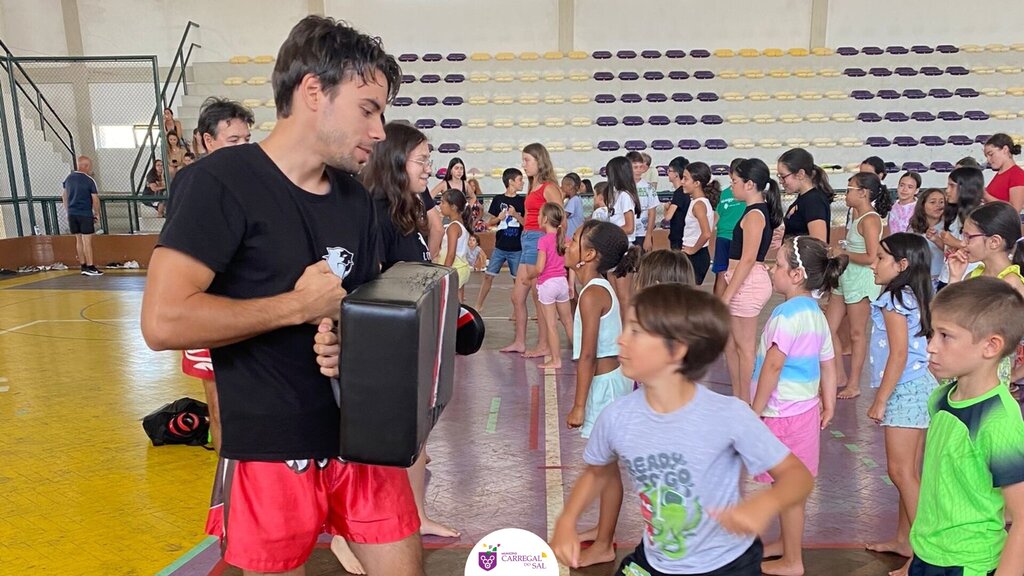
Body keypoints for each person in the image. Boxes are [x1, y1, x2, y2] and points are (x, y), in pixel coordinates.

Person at [140, 16, 423, 576]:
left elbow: (354, 311)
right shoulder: (220, 182)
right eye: (367, 110)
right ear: (314, 91)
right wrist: (297, 307)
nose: (378, 131)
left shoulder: (357, 201)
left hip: (361, 438)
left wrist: (349, 343)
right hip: (270, 448)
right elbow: (163, 321)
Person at [552, 283, 814, 575]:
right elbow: (596, 474)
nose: (620, 340)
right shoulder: (616, 417)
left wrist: (763, 505)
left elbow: (798, 476)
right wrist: (567, 520)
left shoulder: (728, 415)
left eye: (636, 332)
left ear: (676, 349)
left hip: (727, 565)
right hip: (656, 560)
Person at [325, 122, 453, 573]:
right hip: (380, 351)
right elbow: (366, 288)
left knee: (414, 441)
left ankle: (417, 515)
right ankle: (344, 535)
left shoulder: (406, 208)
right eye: (422, 160)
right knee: (369, 453)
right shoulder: (374, 211)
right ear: (396, 162)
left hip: (408, 345)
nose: (429, 168)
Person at [910, 277, 1024, 576]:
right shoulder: (941, 397)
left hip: (967, 563)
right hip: (927, 553)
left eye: (945, 336)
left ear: (991, 346)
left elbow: (1023, 518)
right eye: (932, 333)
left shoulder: (999, 420)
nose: (931, 347)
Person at [752, 236, 843, 576]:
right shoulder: (816, 314)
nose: (770, 270)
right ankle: (785, 545)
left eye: (777, 265)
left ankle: (792, 561)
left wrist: (755, 410)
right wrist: (829, 404)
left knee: (787, 488)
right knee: (790, 486)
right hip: (804, 412)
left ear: (796, 275)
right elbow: (828, 363)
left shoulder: (784, 315)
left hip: (780, 414)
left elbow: (773, 366)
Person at [170, 97, 255, 455]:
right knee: (219, 406)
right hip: (208, 311)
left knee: (256, 403)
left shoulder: (259, 180)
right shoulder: (192, 182)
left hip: (250, 310)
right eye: (233, 140)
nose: (243, 148)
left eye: (247, 139)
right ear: (208, 140)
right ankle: (227, 477)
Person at [560, 220, 639, 567]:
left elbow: (588, 354)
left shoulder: (592, 294)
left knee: (605, 468)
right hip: (610, 382)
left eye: (575, 239)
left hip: (604, 387)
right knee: (603, 466)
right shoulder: (596, 287)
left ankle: (605, 543)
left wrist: (579, 405)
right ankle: (602, 530)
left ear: (589, 254)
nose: (568, 242)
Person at [859, 234, 937, 576]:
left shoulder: (893, 298)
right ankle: (905, 541)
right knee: (909, 472)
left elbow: (899, 353)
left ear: (902, 265)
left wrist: (880, 400)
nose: (873, 264)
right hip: (919, 386)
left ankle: (924, 555)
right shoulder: (912, 294)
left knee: (901, 473)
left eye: (880, 258)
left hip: (904, 390)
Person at [722, 158, 784, 403]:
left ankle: (746, 399)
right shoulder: (754, 212)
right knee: (733, 344)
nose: (732, 186)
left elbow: (748, 259)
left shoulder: (755, 214)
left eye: (734, 181)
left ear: (749, 184)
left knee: (745, 347)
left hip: (746, 283)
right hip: (742, 280)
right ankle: (739, 396)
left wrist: (727, 294)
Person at [947, 201, 1024, 390]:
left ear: (994, 242)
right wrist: (955, 277)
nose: (963, 243)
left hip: (988, 375)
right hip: (963, 366)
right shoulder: (973, 275)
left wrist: (1016, 373)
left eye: (969, 237)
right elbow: (949, 318)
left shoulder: (1011, 283)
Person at [829, 172, 892, 400]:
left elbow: (871, 257)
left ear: (863, 193)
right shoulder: (858, 217)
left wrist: (843, 253)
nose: (846, 194)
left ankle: (854, 383)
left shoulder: (870, 220)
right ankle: (838, 374)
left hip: (861, 280)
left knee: (857, 333)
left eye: (850, 190)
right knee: (828, 328)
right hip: (846, 276)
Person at [500, 144, 562, 357]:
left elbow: (560, 218)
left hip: (539, 240)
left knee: (539, 297)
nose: (523, 165)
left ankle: (544, 344)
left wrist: (555, 245)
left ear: (539, 161)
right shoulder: (533, 186)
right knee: (517, 297)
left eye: (527, 160)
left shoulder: (548, 187)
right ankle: (520, 341)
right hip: (527, 239)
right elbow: (529, 218)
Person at [475, 168, 524, 312]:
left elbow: (526, 223)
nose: (522, 183)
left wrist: (515, 215)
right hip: (500, 247)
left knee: (517, 281)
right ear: (511, 182)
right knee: (488, 276)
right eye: (520, 180)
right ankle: (479, 304)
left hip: (516, 248)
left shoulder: (522, 201)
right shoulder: (498, 199)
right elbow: (489, 222)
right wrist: (499, 218)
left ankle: (517, 310)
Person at [533, 202, 573, 369]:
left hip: (547, 284)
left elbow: (539, 268)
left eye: (539, 214)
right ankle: (580, 353)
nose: (537, 217)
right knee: (568, 321)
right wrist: (571, 284)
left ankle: (556, 359)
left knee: (551, 324)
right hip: (562, 282)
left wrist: (529, 275)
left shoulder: (543, 241)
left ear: (545, 219)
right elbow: (571, 264)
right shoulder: (566, 239)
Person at [936, 167, 985, 289]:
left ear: (966, 188)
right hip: (947, 274)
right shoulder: (954, 212)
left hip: (969, 277)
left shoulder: (981, 214)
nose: (947, 190)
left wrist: (955, 243)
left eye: (952, 186)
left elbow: (984, 248)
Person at [604, 156, 641, 319]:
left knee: (624, 297)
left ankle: (627, 328)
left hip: (623, 250)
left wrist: (608, 231)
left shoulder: (625, 196)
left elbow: (629, 226)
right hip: (614, 249)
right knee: (615, 296)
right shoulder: (616, 196)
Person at [779, 148, 834, 242]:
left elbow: (819, 242)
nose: (780, 181)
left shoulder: (813, 201)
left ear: (800, 174)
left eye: (783, 176)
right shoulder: (805, 198)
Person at [712, 158, 749, 298]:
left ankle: (719, 304)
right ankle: (730, 302)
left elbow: (716, 216)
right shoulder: (748, 193)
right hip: (738, 238)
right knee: (737, 272)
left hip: (724, 237)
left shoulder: (724, 194)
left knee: (722, 272)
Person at [678, 161, 720, 284]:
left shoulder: (699, 205)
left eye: (686, 179)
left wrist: (693, 250)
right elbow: (715, 217)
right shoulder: (701, 202)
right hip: (696, 253)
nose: (682, 182)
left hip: (695, 255)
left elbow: (706, 233)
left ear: (696, 183)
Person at [62, 155, 103, 276]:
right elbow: (95, 199)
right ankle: (90, 266)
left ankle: (83, 265)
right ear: (86, 166)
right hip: (85, 213)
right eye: (89, 166)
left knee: (78, 240)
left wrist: (68, 210)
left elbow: (64, 196)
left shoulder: (69, 178)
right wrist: (96, 213)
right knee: (87, 241)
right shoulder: (89, 180)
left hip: (72, 214)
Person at [434, 188, 472, 302]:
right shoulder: (458, 224)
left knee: (448, 301)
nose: (440, 205)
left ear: (453, 207)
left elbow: (451, 254)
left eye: (443, 202)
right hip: (460, 268)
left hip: (454, 269)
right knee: (459, 301)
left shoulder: (453, 227)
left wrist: (444, 273)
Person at [908, 189, 948, 289]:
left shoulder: (948, 227)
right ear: (922, 205)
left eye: (941, 202)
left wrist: (936, 240)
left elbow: (953, 251)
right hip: (918, 278)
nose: (938, 205)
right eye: (933, 202)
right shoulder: (913, 227)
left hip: (941, 279)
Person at [627, 151, 660, 251]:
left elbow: (652, 213)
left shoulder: (648, 187)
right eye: (635, 167)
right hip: (626, 234)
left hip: (642, 234)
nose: (639, 170)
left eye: (641, 167)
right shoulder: (621, 188)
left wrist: (648, 236)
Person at [982, 133, 1024, 212]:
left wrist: (986, 196)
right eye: (986, 156)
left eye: (991, 154)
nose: (988, 160)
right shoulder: (1001, 174)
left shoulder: (1017, 174)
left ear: (1005, 149)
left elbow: (1015, 209)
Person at [662, 156, 692, 251]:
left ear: (676, 174)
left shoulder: (679, 193)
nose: (668, 173)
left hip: (679, 237)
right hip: (683, 235)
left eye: (669, 170)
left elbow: (667, 217)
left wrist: (666, 208)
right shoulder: (684, 191)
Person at [562, 172, 585, 239]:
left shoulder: (574, 200)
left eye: (562, 185)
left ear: (569, 186)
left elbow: (562, 215)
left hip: (571, 236)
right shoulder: (574, 199)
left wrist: (560, 199)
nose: (561, 187)